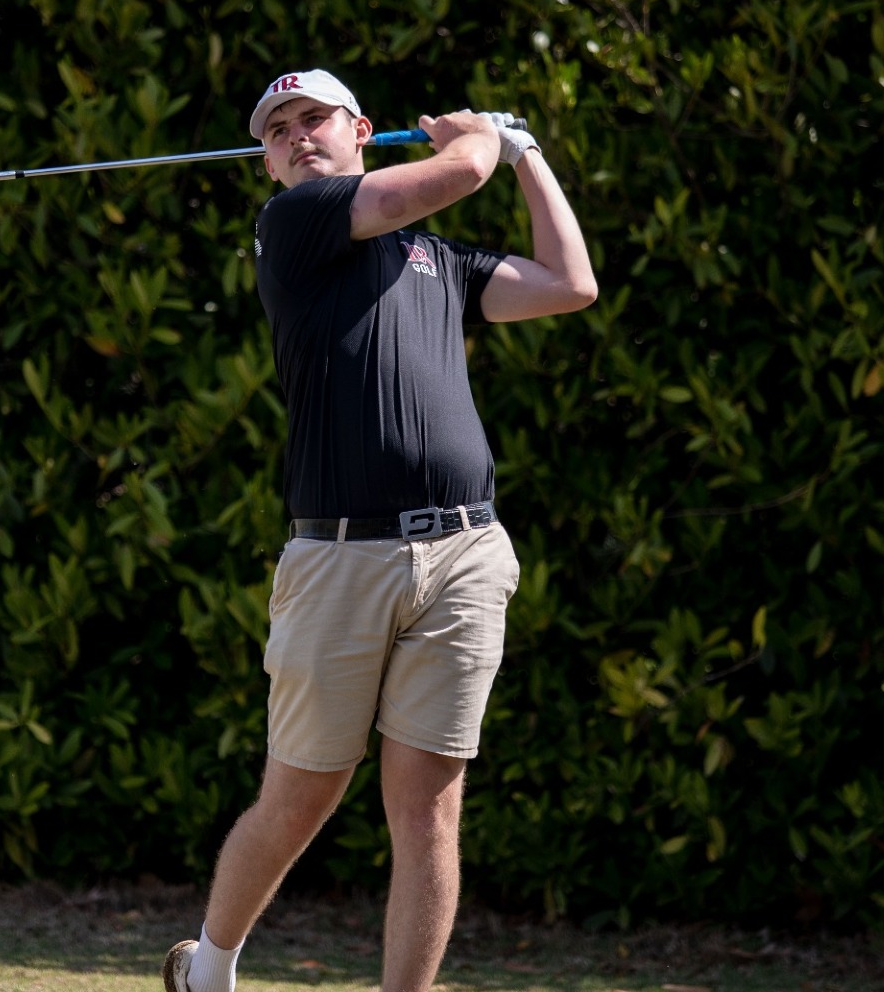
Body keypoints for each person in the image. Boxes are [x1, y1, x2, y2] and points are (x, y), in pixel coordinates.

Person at [163, 69, 597, 992]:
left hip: (465, 553)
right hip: (339, 557)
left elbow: (570, 283)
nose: (296, 136)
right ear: (270, 161)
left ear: (360, 128)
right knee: (301, 796)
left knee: (431, 811)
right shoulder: (296, 227)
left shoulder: (437, 258)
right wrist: (482, 137)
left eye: (313, 118)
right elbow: (459, 171)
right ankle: (210, 966)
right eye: (277, 131)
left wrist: (530, 156)